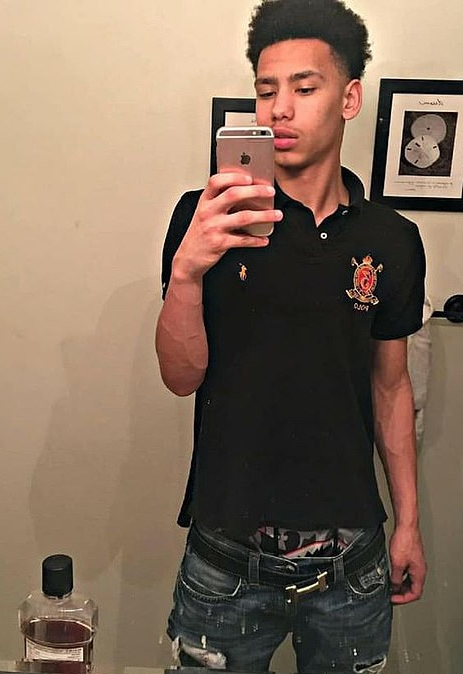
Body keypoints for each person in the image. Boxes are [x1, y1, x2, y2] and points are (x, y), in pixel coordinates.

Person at [155, 0, 427, 672]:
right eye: (266, 90)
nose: (279, 109)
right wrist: (187, 273)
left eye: (304, 89)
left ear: (349, 98)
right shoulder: (206, 218)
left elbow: (391, 387)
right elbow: (180, 378)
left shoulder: (391, 239)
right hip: (226, 560)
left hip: (351, 563)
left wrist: (409, 523)